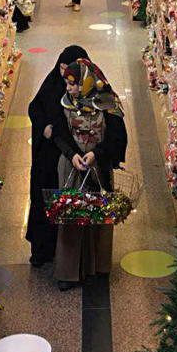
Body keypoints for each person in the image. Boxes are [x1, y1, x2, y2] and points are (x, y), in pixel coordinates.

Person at [52, 58, 127, 290]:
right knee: (70, 214)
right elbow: (59, 133)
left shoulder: (108, 103)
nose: (69, 89)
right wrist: (72, 154)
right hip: (72, 165)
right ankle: (68, 271)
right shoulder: (66, 102)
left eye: (73, 84)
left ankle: (99, 266)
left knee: (99, 214)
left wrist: (96, 154)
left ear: (87, 82)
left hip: (98, 166)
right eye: (67, 84)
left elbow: (117, 138)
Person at [26, 45, 91, 267]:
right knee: (43, 198)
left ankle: (69, 255)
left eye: (68, 70)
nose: (64, 76)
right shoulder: (52, 83)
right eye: (61, 68)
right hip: (49, 156)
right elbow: (34, 107)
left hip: (74, 158)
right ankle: (42, 249)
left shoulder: (90, 89)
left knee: (70, 203)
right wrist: (43, 126)